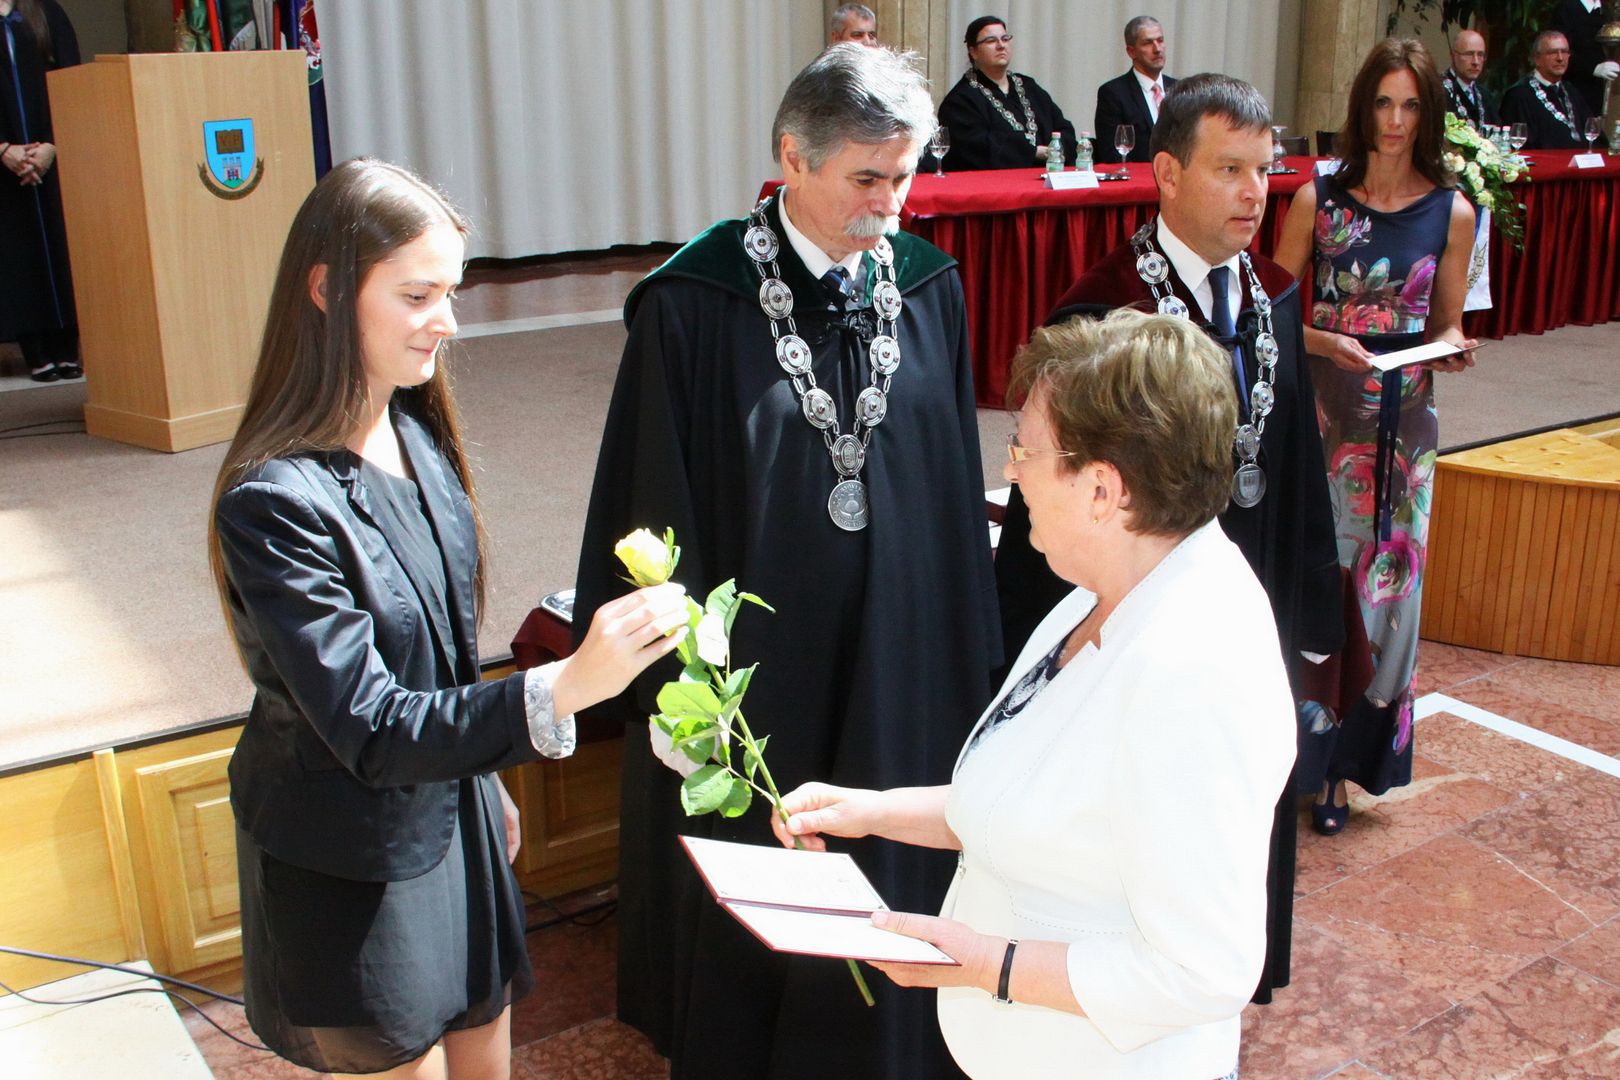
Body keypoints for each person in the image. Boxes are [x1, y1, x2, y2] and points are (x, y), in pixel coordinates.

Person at [208, 159, 690, 1079]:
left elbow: (438, 653)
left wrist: (484, 778)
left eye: (451, 292)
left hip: (451, 813)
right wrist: (564, 685)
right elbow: (373, 727)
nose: (449, 321)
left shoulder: (416, 433)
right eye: (418, 295)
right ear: (327, 290)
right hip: (355, 864)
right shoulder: (273, 503)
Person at [573, 44, 1000, 1080]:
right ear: (792, 157)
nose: (889, 206)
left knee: (891, 879)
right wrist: (678, 696)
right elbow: (651, 505)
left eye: (904, 177)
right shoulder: (693, 303)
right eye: (866, 178)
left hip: (899, 663)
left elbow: (952, 485)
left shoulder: (929, 287)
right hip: (765, 675)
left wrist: (969, 658)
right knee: (767, 907)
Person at [773, 309, 1297, 1080]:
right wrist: (871, 811)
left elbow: (1205, 972)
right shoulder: (1101, 590)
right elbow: (1041, 806)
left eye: (1025, 451)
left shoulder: (1195, 668)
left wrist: (988, 964)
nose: (1011, 472)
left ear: (1102, 489)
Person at [994, 72, 1342, 1005]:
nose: (1254, 193)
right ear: (1167, 174)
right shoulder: (1102, 318)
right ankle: (1139, 979)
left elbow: (1295, 455)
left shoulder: (1272, 295)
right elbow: (1056, 502)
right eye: (1229, 169)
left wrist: (1313, 603)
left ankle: (1229, 971)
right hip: (1135, 619)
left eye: (1264, 170)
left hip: (1249, 592)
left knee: (1233, 802)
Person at [1275, 38, 1477, 837]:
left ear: (1428, 114)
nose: (1395, 121)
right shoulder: (1318, 199)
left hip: (1406, 425)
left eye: (1411, 105)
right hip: (1326, 413)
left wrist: (1452, 347)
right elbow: (1271, 311)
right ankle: (1296, 754)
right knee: (1318, 581)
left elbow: (1448, 320)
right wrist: (1328, 343)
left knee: (1390, 594)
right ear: (1365, 107)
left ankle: (1346, 771)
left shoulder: (1452, 211)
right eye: (1384, 103)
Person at [0, 0, 80, 382]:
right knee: (15, 251)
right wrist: (4, 149)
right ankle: (34, 348)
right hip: (5, 162)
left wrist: (52, 143)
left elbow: (73, 79)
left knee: (62, 248)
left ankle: (67, 346)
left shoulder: (47, 12)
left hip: (53, 154)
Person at [937, 15, 1077, 170]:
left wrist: (1057, 149)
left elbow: (1064, 128)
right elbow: (976, 148)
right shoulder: (960, 101)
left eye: (1005, 39)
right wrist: (1032, 153)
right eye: (991, 41)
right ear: (973, 51)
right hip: (997, 182)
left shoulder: (1029, 86)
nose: (1001, 45)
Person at [1094, 14, 1176, 165]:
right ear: (1131, 51)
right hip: (1138, 176)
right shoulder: (1113, 93)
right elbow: (1111, 154)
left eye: (1160, 40)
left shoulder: (1180, 90)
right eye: (1148, 43)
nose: (1157, 49)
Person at [1500, 30, 1595, 149]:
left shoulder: (1571, 91)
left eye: (1564, 52)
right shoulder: (1519, 95)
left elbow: (1594, 135)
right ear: (1537, 59)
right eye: (1553, 52)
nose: (1560, 58)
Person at [1551, 0, 1616, 117]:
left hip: (1604, 91)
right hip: (1575, 91)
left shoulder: (1606, 10)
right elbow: (1559, 52)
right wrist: (1593, 68)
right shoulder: (1566, 9)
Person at [1443, 28, 1499, 129]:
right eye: (1469, 54)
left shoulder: (1485, 96)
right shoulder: (1438, 91)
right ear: (1453, 55)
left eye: (1480, 55)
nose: (1476, 62)